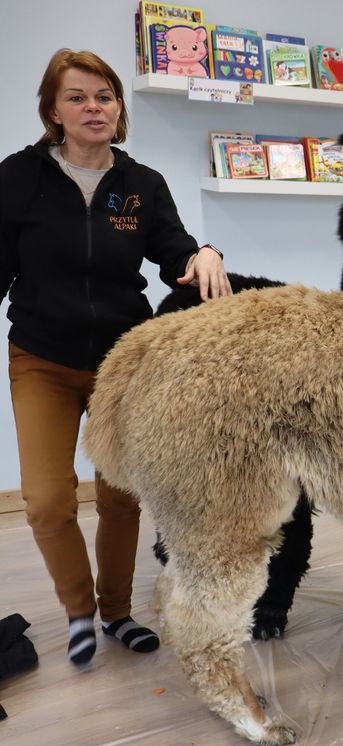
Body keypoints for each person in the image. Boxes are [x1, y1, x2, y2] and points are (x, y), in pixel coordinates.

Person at [0, 49, 232, 665]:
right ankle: (78, 611)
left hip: (122, 365)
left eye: (104, 95)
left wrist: (202, 253)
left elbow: (174, 250)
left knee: (122, 498)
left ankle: (117, 613)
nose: (92, 107)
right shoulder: (17, 178)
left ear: (119, 107)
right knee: (48, 501)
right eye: (76, 97)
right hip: (42, 360)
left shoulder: (142, 185)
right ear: (53, 109)